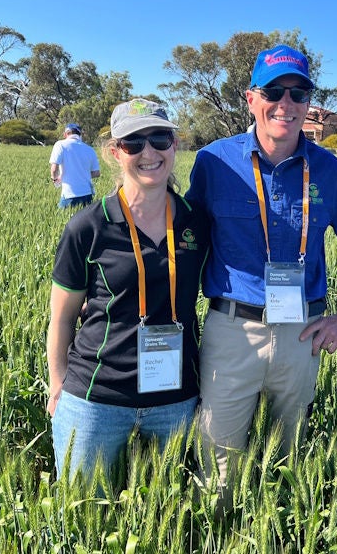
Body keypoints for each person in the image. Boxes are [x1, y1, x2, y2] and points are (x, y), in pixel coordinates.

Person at [186, 44, 337, 503]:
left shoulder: (333, 172)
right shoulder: (214, 163)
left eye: (298, 93)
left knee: (287, 464)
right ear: (251, 98)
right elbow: (186, 245)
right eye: (274, 90)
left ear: (309, 104)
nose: (286, 103)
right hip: (232, 330)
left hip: (303, 334)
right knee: (217, 466)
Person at [47, 99, 210, 480]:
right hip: (95, 398)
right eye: (133, 143)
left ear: (175, 145)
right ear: (114, 152)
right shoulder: (87, 227)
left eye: (159, 139)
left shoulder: (197, 223)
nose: (148, 152)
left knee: (171, 519)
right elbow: (62, 318)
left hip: (176, 397)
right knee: (82, 515)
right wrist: (57, 387)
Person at [49, 123, 101, 208]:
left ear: (65, 134)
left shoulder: (60, 145)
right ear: (80, 135)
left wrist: (55, 179)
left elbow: (54, 169)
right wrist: (82, 173)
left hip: (69, 195)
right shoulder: (90, 149)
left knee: (64, 219)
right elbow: (97, 173)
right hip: (87, 195)